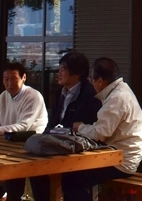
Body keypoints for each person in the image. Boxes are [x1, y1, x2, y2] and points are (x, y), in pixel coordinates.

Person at [60, 58, 142, 201]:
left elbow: (99, 133)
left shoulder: (116, 98)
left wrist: (79, 127)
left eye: (91, 79)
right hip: (118, 155)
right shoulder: (121, 90)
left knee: (70, 179)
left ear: (100, 81)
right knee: (72, 176)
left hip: (121, 162)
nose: (91, 83)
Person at [31, 51, 102, 201]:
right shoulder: (61, 92)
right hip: (59, 142)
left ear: (76, 73)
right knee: (34, 169)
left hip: (78, 147)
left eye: (63, 69)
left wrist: (55, 132)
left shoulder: (89, 95)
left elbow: (77, 127)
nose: (59, 73)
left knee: (70, 180)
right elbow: (53, 121)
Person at [0, 62, 48, 201]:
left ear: (24, 77)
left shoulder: (33, 96)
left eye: (14, 78)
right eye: (6, 79)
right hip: (8, 144)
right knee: (9, 185)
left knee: (40, 189)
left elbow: (24, 126)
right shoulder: (3, 96)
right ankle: (2, 195)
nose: (9, 83)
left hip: (31, 146)